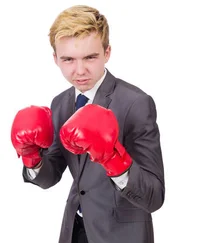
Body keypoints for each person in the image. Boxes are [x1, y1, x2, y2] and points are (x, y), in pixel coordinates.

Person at [10, 5, 165, 243]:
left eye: (90, 57)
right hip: (75, 229)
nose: (80, 70)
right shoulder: (61, 103)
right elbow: (51, 176)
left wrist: (114, 160)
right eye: (68, 59)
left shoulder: (136, 103)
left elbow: (154, 197)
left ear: (107, 53)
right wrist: (32, 158)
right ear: (55, 59)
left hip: (121, 235)